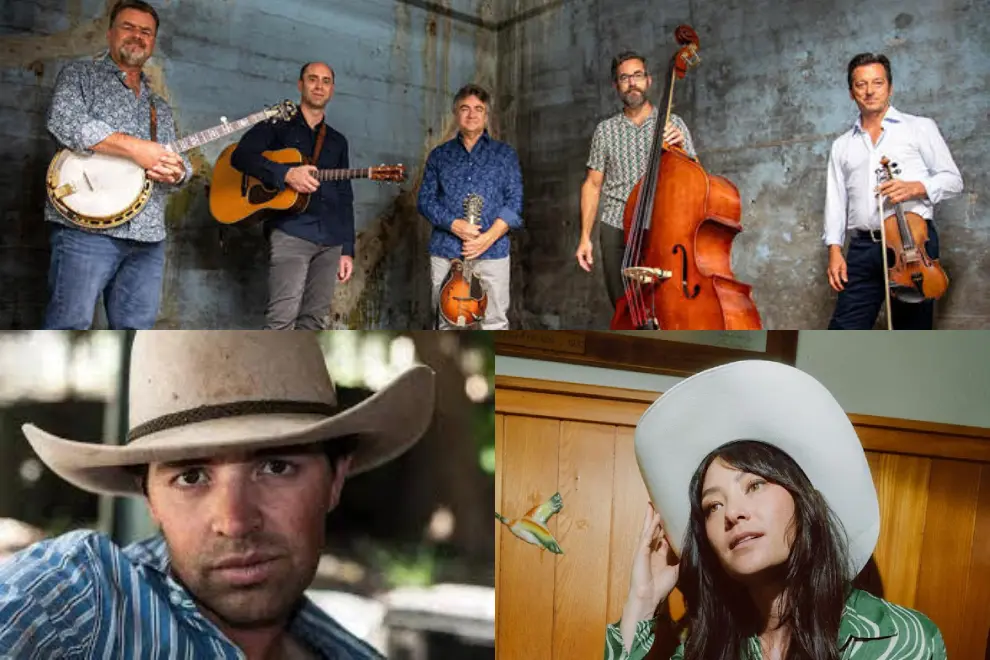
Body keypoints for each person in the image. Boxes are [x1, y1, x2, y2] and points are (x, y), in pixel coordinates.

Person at [0, 331, 435, 659]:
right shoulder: (79, 601)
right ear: (149, 498)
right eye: (191, 477)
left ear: (335, 480)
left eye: (276, 467)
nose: (235, 521)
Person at [605, 360, 946, 659]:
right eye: (713, 505)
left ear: (803, 501)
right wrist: (642, 601)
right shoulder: (703, 646)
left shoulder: (901, 641)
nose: (732, 513)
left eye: (755, 485)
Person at [43, 0, 191, 330]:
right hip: (85, 231)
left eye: (146, 32)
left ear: (153, 42)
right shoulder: (81, 76)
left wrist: (178, 172)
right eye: (128, 27)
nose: (137, 36)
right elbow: (64, 121)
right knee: (69, 326)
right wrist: (137, 149)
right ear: (110, 33)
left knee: (135, 333)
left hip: (147, 237)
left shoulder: (158, 107)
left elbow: (179, 163)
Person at [824, 52, 963, 330]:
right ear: (851, 92)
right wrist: (834, 250)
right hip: (863, 247)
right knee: (844, 329)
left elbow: (953, 181)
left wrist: (916, 187)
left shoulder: (919, 127)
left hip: (912, 245)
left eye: (877, 82)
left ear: (890, 87)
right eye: (861, 84)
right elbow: (836, 201)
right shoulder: (842, 145)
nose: (870, 91)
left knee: (911, 332)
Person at [232, 62, 355, 330]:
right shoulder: (277, 124)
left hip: (331, 240)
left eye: (325, 81)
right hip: (291, 233)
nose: (319, 86)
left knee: (314, 321)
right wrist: (286, 174)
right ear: (301, 85)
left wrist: (347, 249)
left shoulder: (338, 141)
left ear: (332, 89)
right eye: (313, 79)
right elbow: (240, 156)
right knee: (281, 319)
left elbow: (345, 196)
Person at [576, 50, 697, 307]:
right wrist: (585, 237)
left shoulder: (673, 124)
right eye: (624, 78)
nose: (632, 83)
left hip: (661, 224)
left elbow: (695, 178)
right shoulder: (605, 131)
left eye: (638, 75)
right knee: (624, 307)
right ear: (616, 85)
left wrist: (682, 148)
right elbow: (593, 184)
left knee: (666, 304)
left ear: (648, 80)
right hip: (616, 225)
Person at [417, 83, 523, 330]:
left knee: (495, 322)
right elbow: (425, 200)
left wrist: (487, 238)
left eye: (478, 109)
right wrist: (454, 225)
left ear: (486, 115)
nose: (472, 114)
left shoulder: (504, 155)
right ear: (456, 113)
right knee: (447, 324)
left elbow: (515, 202)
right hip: (447, 251)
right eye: (465, 108)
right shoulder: (439, 156)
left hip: (493, 252)